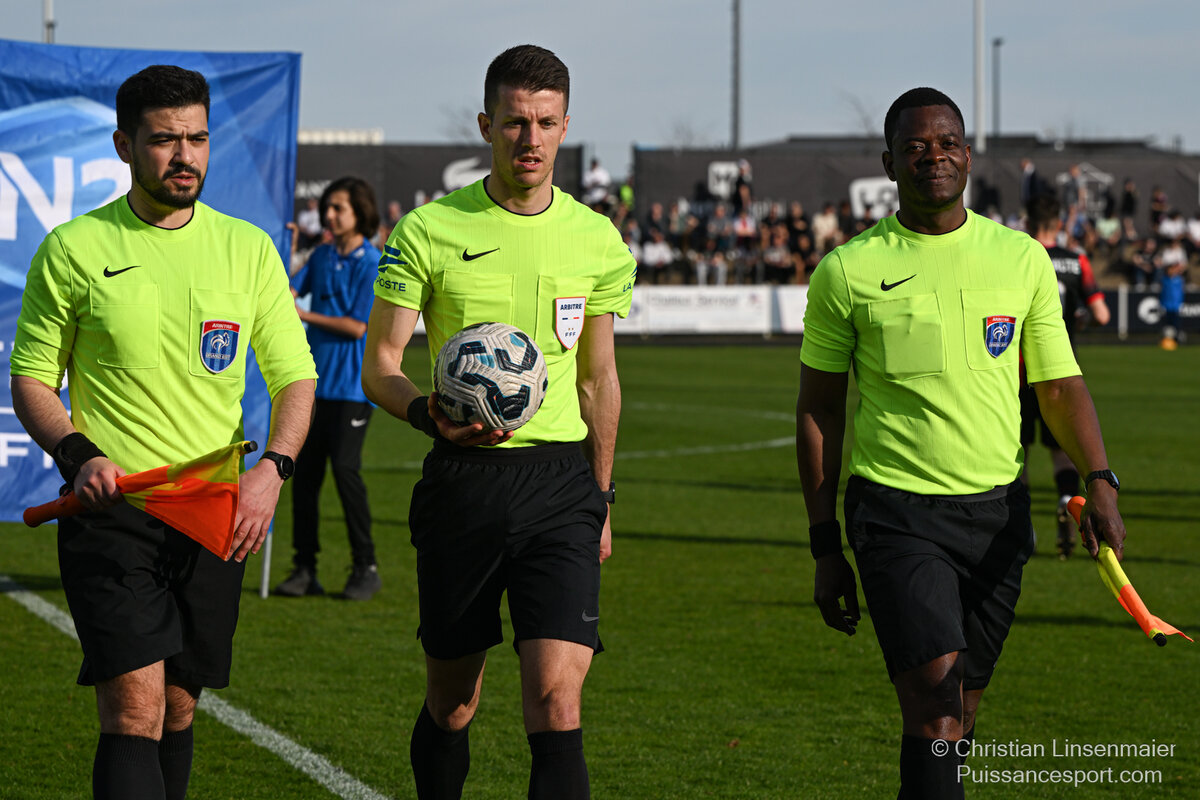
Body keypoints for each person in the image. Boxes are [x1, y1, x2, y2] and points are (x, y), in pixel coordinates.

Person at [796, 87, 1126, 800]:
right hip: (897, 514)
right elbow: (819, 411)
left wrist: (1099, 480)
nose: (934, 156)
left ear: (969, 156)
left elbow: (1059, 386)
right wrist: (825, 547)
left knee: (963, 712)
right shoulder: (847, 271)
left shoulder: (1021, 259)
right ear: (890, 164)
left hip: (999, 516)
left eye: (947, 143)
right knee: (937, 707)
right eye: (915, 146)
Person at [9, 65, 316, 800]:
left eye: (197, 138)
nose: (185, 156)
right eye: (164, 140)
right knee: (133, 711)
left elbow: (294, 379)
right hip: (114, 512)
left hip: (214, 514)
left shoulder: (248, 248)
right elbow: (31, 379)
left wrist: (273, 469)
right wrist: (78, 454)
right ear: (124, 145)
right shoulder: (74, 249)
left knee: (178, 706)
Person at [361, 44, 634, 799]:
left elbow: (599, 379)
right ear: (487, 125)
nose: (530, 139)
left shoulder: (596, 239)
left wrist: (601, 497)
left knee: (556, 702)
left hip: (561, 488)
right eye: (515, 122)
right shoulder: (428, 230)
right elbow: (379, 363)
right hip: (464, 484)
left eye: (546, 123)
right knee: (453, 702)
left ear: (566, 126)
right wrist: (427, 414)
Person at [275, 176, 383, 600]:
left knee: (345, 471)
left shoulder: (371, 262)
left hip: (352, 389)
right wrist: (286, 253)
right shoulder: (321, 255)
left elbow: (357, 326)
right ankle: (305, 568)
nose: (330, 215)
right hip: (314, 387)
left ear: (360, 212)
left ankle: (365, 566)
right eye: (327, 208)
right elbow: (285, 291)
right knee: (304, 479)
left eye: (339, 208)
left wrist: (302, 313)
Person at [1021, 193, 1111, 558]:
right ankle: (1065, 501)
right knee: (1061, 450)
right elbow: (1102, 314)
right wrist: (1080, 321)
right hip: (1059, 370)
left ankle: (1023, 525)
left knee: (1018, 452)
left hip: (1018, 373)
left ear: (1028, 223)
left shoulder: (1019, 257)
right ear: (1059, 223)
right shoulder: (1077, 261)